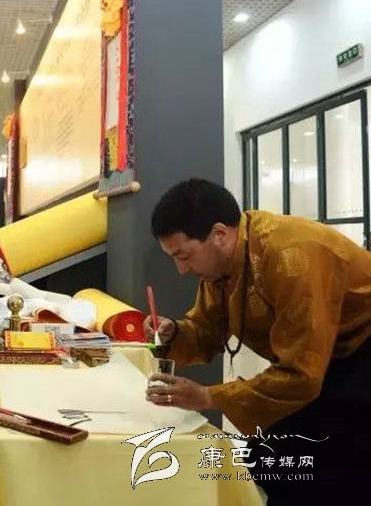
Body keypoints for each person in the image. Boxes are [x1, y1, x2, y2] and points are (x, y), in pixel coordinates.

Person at [144, 178, 371, 504]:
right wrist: (173, 333)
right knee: (266, 459)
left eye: (184, 256)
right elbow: (206, 331)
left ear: (219, 234)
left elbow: (301, 375)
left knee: (316, 469)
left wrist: (207, 396)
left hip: (360, 353)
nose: (181, 269)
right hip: (324, 360)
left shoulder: (292, 255)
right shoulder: (223, 265)